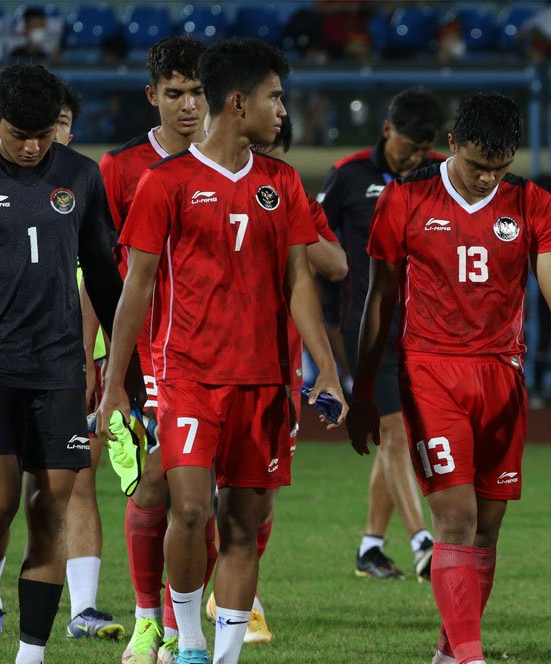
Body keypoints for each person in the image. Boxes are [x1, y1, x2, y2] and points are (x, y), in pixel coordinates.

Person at [96, 37, 347, 664]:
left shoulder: (282, 183)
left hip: (264, 381)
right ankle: (186, 643)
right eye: (274, 97)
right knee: (187, 508)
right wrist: (114, 382)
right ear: (239, 103)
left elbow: (299, 284)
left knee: (242, 523)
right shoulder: (165, 183)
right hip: (186, 376)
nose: (283, 110)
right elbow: (137, 287)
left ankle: (225, 655)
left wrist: (328, 372)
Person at [347, 92, 551, 664]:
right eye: (476, 165)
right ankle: (471, 656)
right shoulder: (406, 199)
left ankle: (449, 647)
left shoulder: (531, 203)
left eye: (499, 167)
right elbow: (380, 298)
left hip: (502, 377)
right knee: (456, 518)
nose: (487, 178)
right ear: (454, 144)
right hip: (430, 372)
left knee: (487, 527)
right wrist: (364, 387)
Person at [0, 63, 136, 664]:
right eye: (20, 134)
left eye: (43, 133)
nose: (33, 146)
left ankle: (29, 656)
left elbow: (108, 282)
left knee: (50, 509)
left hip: (61, 368)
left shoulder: (82, 177)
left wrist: (128, 377)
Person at [0, 84, 127, 644]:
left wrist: (106, 362)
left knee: (75, 484)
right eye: (43, 125)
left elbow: (100, 279)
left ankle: (82, 609)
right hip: (9, 358)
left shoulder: (84, 184)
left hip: (75, 358)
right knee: (4, 494)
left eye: (61, 123)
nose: (53, 135)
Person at [203, 114, 348, 646]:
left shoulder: (285, 194)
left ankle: (236, 595)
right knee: (191, 495)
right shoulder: (200, 187)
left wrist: (289, 222)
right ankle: (173, 620)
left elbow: (336, 265)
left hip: (275, 369)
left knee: (256, 500)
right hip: (202, 365)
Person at [95, 36, 215, 664]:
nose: (189, 105)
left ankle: (175, 624)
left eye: (198, 92)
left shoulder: (234, 165)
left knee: (198, 497)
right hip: (146, 356)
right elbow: (101, 271)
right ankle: (153, 621)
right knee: (152, 491)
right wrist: (100, 365)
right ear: (153, 96)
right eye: (176, 93)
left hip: (217, 358)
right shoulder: (120, 169)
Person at [318, 87, 445, 581]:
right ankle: (422, 541)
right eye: (407, 147)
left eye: (422, 150)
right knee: (394, 430)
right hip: (366, 327)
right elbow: (315, 240)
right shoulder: (349, 175)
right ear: (387, 129)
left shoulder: (439, 174)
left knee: (401, 435)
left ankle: (371, 546)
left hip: (428, 326)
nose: (414, 158)